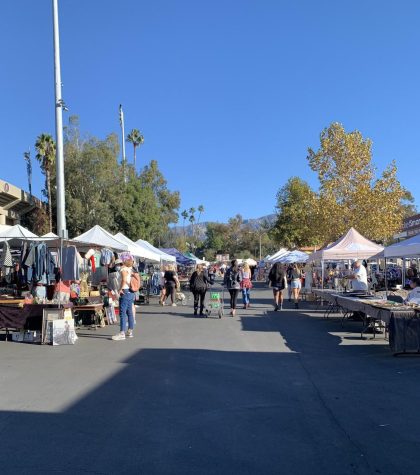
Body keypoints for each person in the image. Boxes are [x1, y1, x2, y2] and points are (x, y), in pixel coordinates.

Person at [112, 255, 136, 341]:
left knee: (122, 313)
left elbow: (124, 279)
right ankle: (130, 331)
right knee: (129, 312)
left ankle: (122, 333)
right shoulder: (130, 269)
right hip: (130, 292)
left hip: (125, 291)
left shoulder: (123, 269)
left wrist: (120, 288)